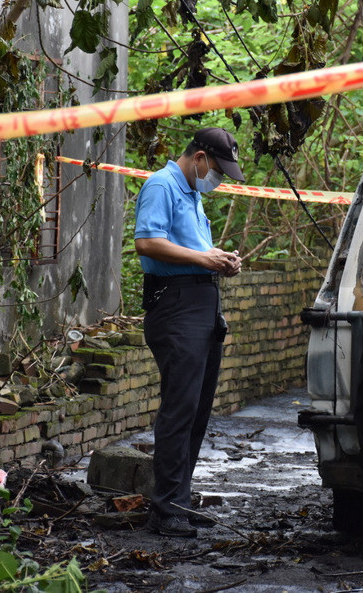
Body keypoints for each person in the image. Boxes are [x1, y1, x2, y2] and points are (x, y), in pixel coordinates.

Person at [134, 127, 245, 537]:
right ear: (199, 158)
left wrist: (221, 261)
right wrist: (203, 258)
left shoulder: (192, 195)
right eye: (217, 169)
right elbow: (147, 242)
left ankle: (178, 499)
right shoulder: (161, 185)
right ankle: (165, 510)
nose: (217, 178)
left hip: (202, 304)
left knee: (197, 410)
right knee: (179, 408)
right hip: (176, 306)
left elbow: (194, 252)